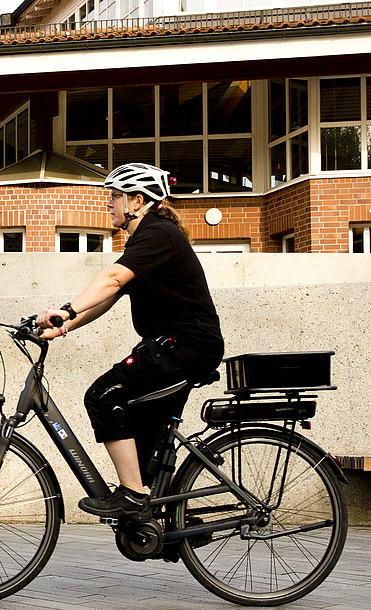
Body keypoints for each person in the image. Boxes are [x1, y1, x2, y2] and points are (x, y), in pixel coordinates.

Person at [37, 163, 224, 519]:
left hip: (184, 345)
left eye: (115, 197)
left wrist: (65, 309)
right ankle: (165, 515)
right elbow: (109, 297)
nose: (109, 203)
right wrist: (62, 327)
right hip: (176, 346)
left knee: (103, 396)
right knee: (141, 428)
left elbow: (110, 278)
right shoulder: (148, 239)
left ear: (137, 201)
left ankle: (132, 495)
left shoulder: (159, 233)